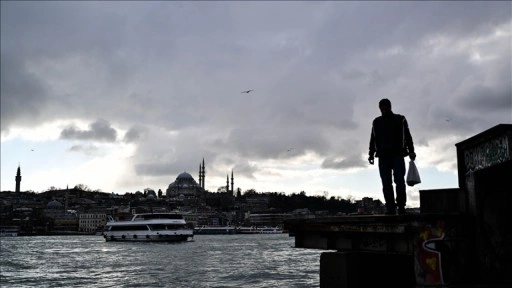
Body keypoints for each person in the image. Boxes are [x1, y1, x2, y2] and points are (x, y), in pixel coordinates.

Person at [368, 98, 416, 215]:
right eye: (382, 108)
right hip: (384, 156)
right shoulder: (376, 122)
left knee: (399, 181)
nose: (383, 109)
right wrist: (371, 153)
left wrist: (411, 151)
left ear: (390, 107)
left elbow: (408, 136)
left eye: (385, 107)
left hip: (397, 155)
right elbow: (373, 139)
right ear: (379, 108)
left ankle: (400, 206)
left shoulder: (400, 119)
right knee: (386, 182)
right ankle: (391, 207)